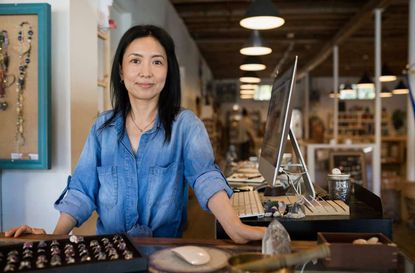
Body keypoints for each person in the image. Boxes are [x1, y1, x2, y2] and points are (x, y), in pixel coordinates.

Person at [5, 25, 265, 243]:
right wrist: (53, 239)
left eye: (157, 62)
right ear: (121, 70)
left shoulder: (186, 125)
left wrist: (233, 225)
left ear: (168, 71)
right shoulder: (101, 128)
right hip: (110, 256)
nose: (146, 72)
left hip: (165, 256)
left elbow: (205, 175)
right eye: (135, 60)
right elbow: (82, 191)